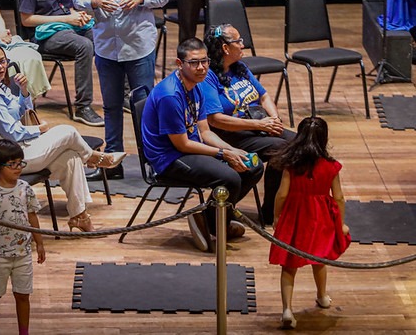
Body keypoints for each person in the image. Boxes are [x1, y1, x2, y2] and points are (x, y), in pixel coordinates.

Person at [0, 43, 125, 233]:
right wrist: (39, 131)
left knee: (70, 158)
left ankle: (79, 217)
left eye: (3, 61)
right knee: (68, 132)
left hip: (12, 147)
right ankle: (95, 158)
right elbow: (12, 132)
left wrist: (24, 92)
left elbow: (16, 114)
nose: (0, 67)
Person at [141, 38, 263, 252]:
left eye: (205, 61)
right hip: (168, 158)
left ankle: (209, 219)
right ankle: (212, 221)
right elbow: (182, 144)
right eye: (194, 63)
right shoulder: (170, 94)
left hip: (188, 147)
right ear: (180, 64)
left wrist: (233, 151)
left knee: (253, 166)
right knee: (230, 178)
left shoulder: (197, 86)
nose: (201, 67)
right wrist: (223, 154)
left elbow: (205, 131)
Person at [73, 0, 169, 169]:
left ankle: (150, 160)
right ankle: (112, 160)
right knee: (111, 106)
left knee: (144, 107)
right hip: (106, 45)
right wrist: (95, 1)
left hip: (139, 43)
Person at [202, 24, 295, 225]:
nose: (243, 45)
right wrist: (261, 125)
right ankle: (266, 212)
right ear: (225, 48)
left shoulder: (240, 68)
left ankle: (273, 209)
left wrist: (274, 119)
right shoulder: (208, 77)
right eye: (238, 41)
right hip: (228, 134)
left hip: (256, 126)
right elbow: (215, 119)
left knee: (298, 142)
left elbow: (264, 96)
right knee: (282, 148)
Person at [268, 117, 351, 330]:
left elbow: (281, 194)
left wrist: (277, 217)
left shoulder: (290, 165)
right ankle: (322, 296)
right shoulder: (332, 166)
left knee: (289, 266)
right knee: (319, 260)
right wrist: (340, 224)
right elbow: (339, 197)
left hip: (295, 218)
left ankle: (287, 309)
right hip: (320, 219)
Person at [19, 0, 104, 127]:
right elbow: (26, 20)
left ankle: (121, 95)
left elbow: (68, 7)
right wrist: (66, 18)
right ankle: (82, 107)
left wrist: (79, 16)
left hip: (67, 27)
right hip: (43, 35)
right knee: (84, 46)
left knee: (101, 37)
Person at [0, 139, 46, 335]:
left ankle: (24, 332)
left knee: (23, 296)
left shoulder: (25, 188)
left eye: (20, 163)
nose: (17, 168)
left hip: (23, 254)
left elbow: (32, 217)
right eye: (11, 164)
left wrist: (39, 244)